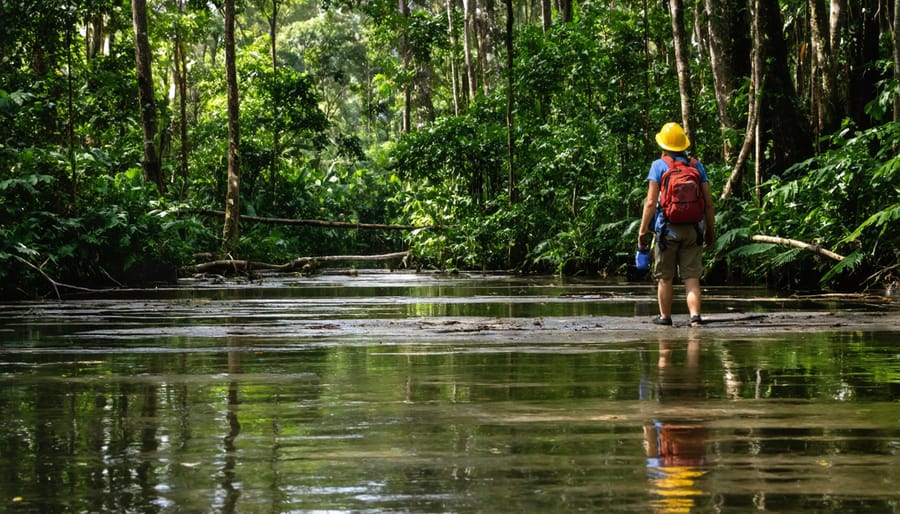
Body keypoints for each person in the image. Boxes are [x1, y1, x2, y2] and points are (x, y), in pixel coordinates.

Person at [638, 122, 715, 327]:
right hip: (693, 229)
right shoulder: (696, 166)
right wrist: (710, 230)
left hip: (667, 230)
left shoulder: (659, 166)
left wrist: (643, 232)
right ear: (683, 145)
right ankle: (695, 317)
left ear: (664, 145)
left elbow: (651, 202)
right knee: (691, 277)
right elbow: (708, 202)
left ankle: (665, 317)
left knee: (665, 277)